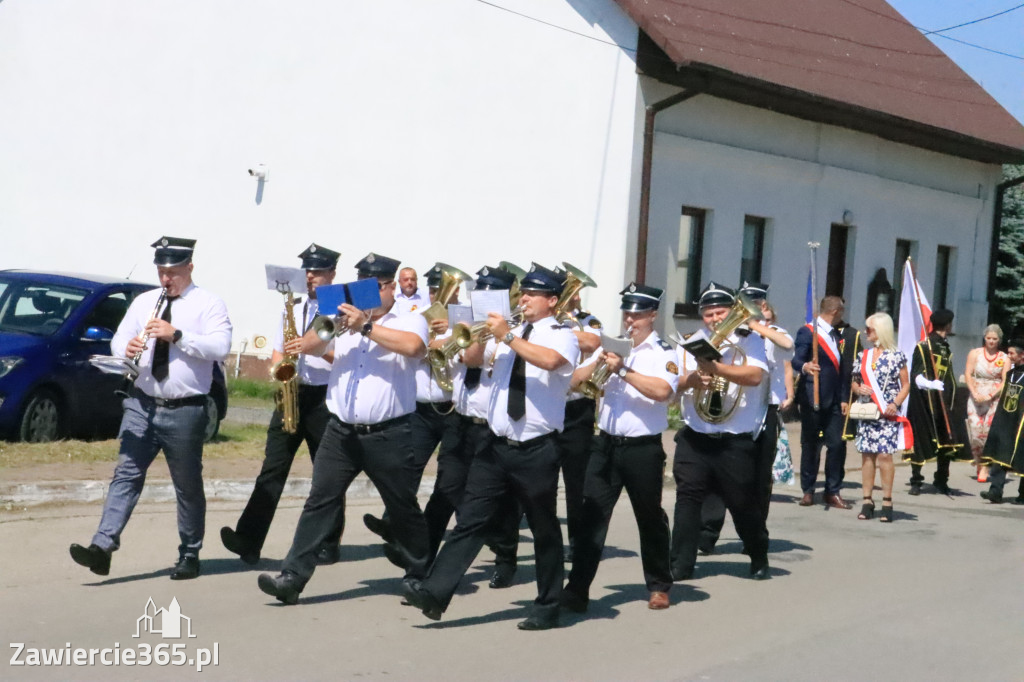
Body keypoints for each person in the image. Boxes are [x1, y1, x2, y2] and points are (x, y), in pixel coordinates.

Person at [402, 263, 579, 631]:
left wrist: (510, 335)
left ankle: (548, 604)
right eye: (523, 293)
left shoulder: (561, 333)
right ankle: (435, 592)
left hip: (536, 448)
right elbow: (472, 359)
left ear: (551, 300)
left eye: (533, 294)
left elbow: (550, 361)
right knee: (470, 522)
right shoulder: (509, 331)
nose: (525, 299)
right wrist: (476, 332)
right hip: (496, 446)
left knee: (544, 528)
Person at [256, 252, 431, 605]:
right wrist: (330, 324)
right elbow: (311, 346)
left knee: (402, 507)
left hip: (389, 432)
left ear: (391, 287)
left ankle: (420, 575)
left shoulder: (410, 317)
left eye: (376, 287)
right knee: (320, 500)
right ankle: (293, 576)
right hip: (341, 430)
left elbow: (414, 347)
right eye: (361, 287)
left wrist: (367, 326)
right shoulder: (343, 317)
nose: (367, 295)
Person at [70, 237, 232, 580]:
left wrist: (178, 335)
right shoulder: (146, 301)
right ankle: (102, 547)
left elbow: (220, 347)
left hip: (185, 409)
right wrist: (126, 347)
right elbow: (119, 338)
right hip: (141, 402)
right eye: (161, 271)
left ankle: (190, 553)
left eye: (172, 272)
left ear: (189, 268)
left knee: (187, 484)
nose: (166, 279)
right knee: (126, 474)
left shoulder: (208, 304)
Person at [221, 243, 344, 566]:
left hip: (325, 396)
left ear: (332, 273)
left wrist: (315, 348)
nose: (312, 277)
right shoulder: (295, 304)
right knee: (272, 469)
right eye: (308, 271)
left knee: (327, 474)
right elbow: (279, 347)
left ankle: (328, 542)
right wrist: (279, 372)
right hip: (293, 392)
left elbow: (346, 357)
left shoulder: (342, 309)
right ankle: (249, 539)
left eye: (318, 272)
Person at [561, 283, 677, 613]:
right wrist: (597, 363)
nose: (631, 320)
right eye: (627, 313)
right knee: (591, 518)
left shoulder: (663, 352)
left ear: (652, 315)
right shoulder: (610, 348)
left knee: (650, 517)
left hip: (643, 449)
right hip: (606, 445)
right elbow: (575, 382)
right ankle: (577, 588)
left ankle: (658, 584)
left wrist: (623, 371)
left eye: (638, 314)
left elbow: (662, 392)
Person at [419, 265, 521, 584]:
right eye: (481, 292)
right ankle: (420, 563)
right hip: (459, 421)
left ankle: (505, 555)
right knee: (447, 492)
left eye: (491, 294)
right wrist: (444, 332)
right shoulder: (466, 323)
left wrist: (471, 333)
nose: (483, 299)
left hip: (490, 428)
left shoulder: (512, 330)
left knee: (490, 502)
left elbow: (474, 358)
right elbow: (433, 350)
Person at [671, 282, 771, 582]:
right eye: (709, 313)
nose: (715, 319)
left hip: (734, 439)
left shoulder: (749, 340)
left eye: (721, 312)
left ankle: (757, 554)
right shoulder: (689, 342)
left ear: (733, 312)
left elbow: (755, 376)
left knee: (742, 502)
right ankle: (680, 564)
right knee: (687, 499)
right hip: (696, 434)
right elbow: (673, 383)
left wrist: (718, 369)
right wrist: (692, 380)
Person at [364, 263, 459, 557]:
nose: (438, 296)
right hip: (421, 407)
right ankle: (393, 524)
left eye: (445, 290)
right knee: (407, 471)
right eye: (433, 290)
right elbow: (409, 350)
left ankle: (422, 540)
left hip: (453, 408)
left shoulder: (467, 322)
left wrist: (451, 337)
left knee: (449, 482)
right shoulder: (417, 318)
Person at [698, 282, 794, 555]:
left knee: (758, 478)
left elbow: (788, 346)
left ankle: (754, 534)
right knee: (716, 475)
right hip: (736, 411)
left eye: (753, 305)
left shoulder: (771, 332)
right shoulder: (731, 333)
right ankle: (707, 534)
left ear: (763, 307)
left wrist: (755, 326)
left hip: (766, 411)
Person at [552, 266, 602, 563]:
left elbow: (592, 342)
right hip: (547, 407)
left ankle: (576, 542)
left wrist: (557, 329)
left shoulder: (587, 321)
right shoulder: (542, 323)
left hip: (577, 409)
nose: (575, 295)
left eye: (574, 290)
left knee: (576, 482)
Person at [792, 295, 852, 509]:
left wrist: (844, 397)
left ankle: (832, 490)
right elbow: (796, 359)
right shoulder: (808, 332)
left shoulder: (836, 335)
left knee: (837, 444)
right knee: (811, 445)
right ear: (836, 312)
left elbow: (843, 370)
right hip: (812, 396)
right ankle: (808, 490)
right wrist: (806, 366)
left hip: (835, 399)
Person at [850, 313, 911, 522]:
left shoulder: (897, 356)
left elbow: (906, 385)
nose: (866, 332)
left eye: (870, 329)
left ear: (881, 330)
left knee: (885, 455)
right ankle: (867, 500)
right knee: (867, 455)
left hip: (887, 412)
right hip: (867, 411)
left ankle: (887, 500)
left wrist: (895, 404)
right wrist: (859, 388)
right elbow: (854, 382)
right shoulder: (863, 356)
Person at [905, 309, 970, 496]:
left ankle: (942, 479)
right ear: (947, 324)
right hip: (926, 402)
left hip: (945, 400)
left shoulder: (944, 346)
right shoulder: (924, 346)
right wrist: (929, 384)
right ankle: (916, 481)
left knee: (946, 439)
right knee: (920, 440)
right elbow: (915, 375)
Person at [980, 339, 1024, 504]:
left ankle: (1023, 494)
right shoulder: (1011, 374)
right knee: (1000, 454)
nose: (1009, 356)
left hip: (1021, 422)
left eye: (1012, 353)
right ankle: (995, 492)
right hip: (1006, 419)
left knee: (1021, 456)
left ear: (1022, 355)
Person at [964, 324, 1009, 481]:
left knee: (988, 431)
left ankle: (985, 466)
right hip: (976, 394)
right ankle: (978, 460)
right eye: (988, 338)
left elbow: (1005, 380)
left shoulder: (1004, 358)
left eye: (994, 339)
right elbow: (968, 374)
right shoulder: (975, 353)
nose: (991, 341)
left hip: (994, 396)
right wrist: (974, 392)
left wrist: (991, 394)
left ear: (999, 340)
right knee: (975, 430)